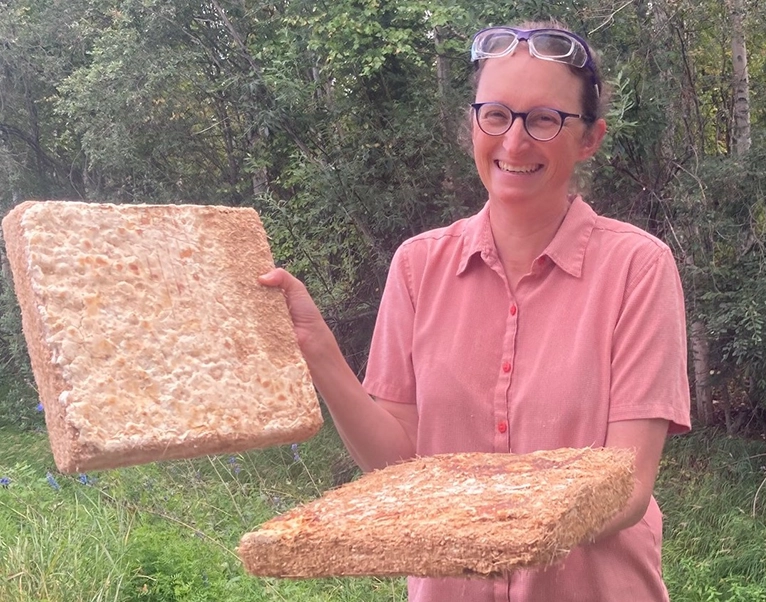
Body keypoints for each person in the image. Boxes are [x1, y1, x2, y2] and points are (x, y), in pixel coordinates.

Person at [259, 19, 691, 602]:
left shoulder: (638, 268)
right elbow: (395, 466)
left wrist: (486, 533)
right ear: (474, 123)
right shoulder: (417, 267)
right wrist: (318, 351)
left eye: (544, 119)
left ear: (589, 138)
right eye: (496, 115)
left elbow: (627, 486)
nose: (514, 143)